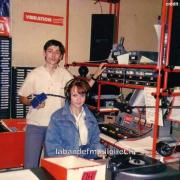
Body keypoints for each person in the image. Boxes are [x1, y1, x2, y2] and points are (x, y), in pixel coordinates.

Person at [18, 39, 105, 168]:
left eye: (57, 52)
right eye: (50, 51)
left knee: (53, 164)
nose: (53, 55)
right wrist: (31, 102)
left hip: (58, 127)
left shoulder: (65, 74)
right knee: (30, 165)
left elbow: (81, 89)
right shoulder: (34, 74)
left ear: (61, 56)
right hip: (36, 126)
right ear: (44, 53)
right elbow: (22, 98)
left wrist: (96, 75)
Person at [45, 78, 105, 159]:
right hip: (63, 162)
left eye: (82, 95)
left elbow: (94, 143)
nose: (79, 99)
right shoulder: (57, 117)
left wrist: (98, 149)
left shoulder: (90, 117)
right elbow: (52, 148)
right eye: (75, 95)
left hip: (84, 161)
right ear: (69, 95)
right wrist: (71, 159)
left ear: (86, 96)